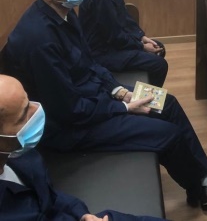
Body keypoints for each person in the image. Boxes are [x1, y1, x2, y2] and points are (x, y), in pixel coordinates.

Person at [4, 0, 207, 209]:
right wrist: (123, 107)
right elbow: (70, 110)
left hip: (95, 97)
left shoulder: (63, 13)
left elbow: (89, 63)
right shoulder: (40, 41)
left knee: (167, 102)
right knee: (168, 134)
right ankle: (201, 189)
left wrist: (119, 90)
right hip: (73, 127)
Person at [0, 74, 165, 221]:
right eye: (24, 115)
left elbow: (49, 196)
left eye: (29, 102)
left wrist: (81, 213)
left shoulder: (22, 154)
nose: (36, 110)